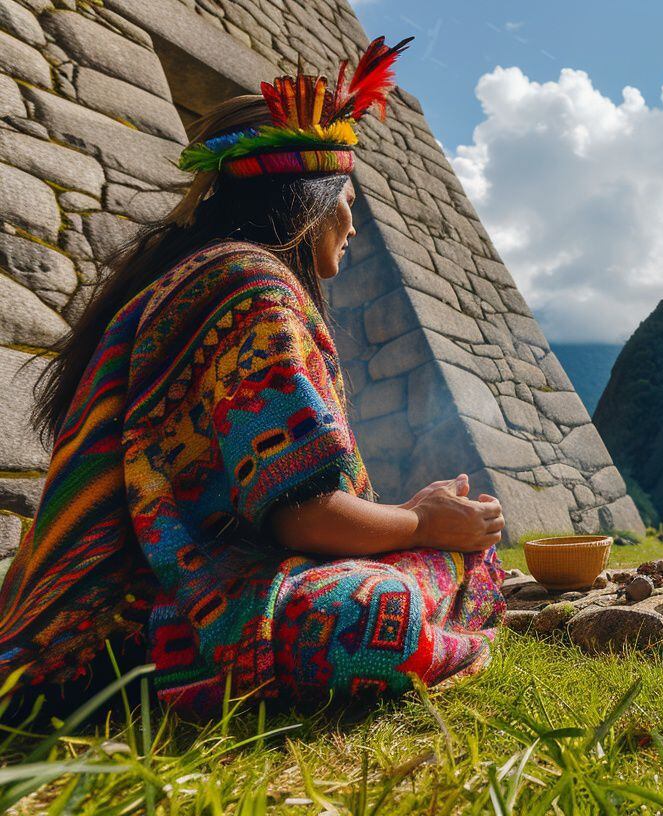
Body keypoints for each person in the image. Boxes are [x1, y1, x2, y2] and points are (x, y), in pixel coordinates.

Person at [0, 38, 507, 717]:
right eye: (347, 200)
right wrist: (424, 521)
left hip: (101, 615)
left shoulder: (199, 277)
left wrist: (420, 516)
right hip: (130, 631)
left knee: (426, 560)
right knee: (391, 603)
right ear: (313, 200)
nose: (353, 223)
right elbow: (303, 517)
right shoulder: (253, 289)